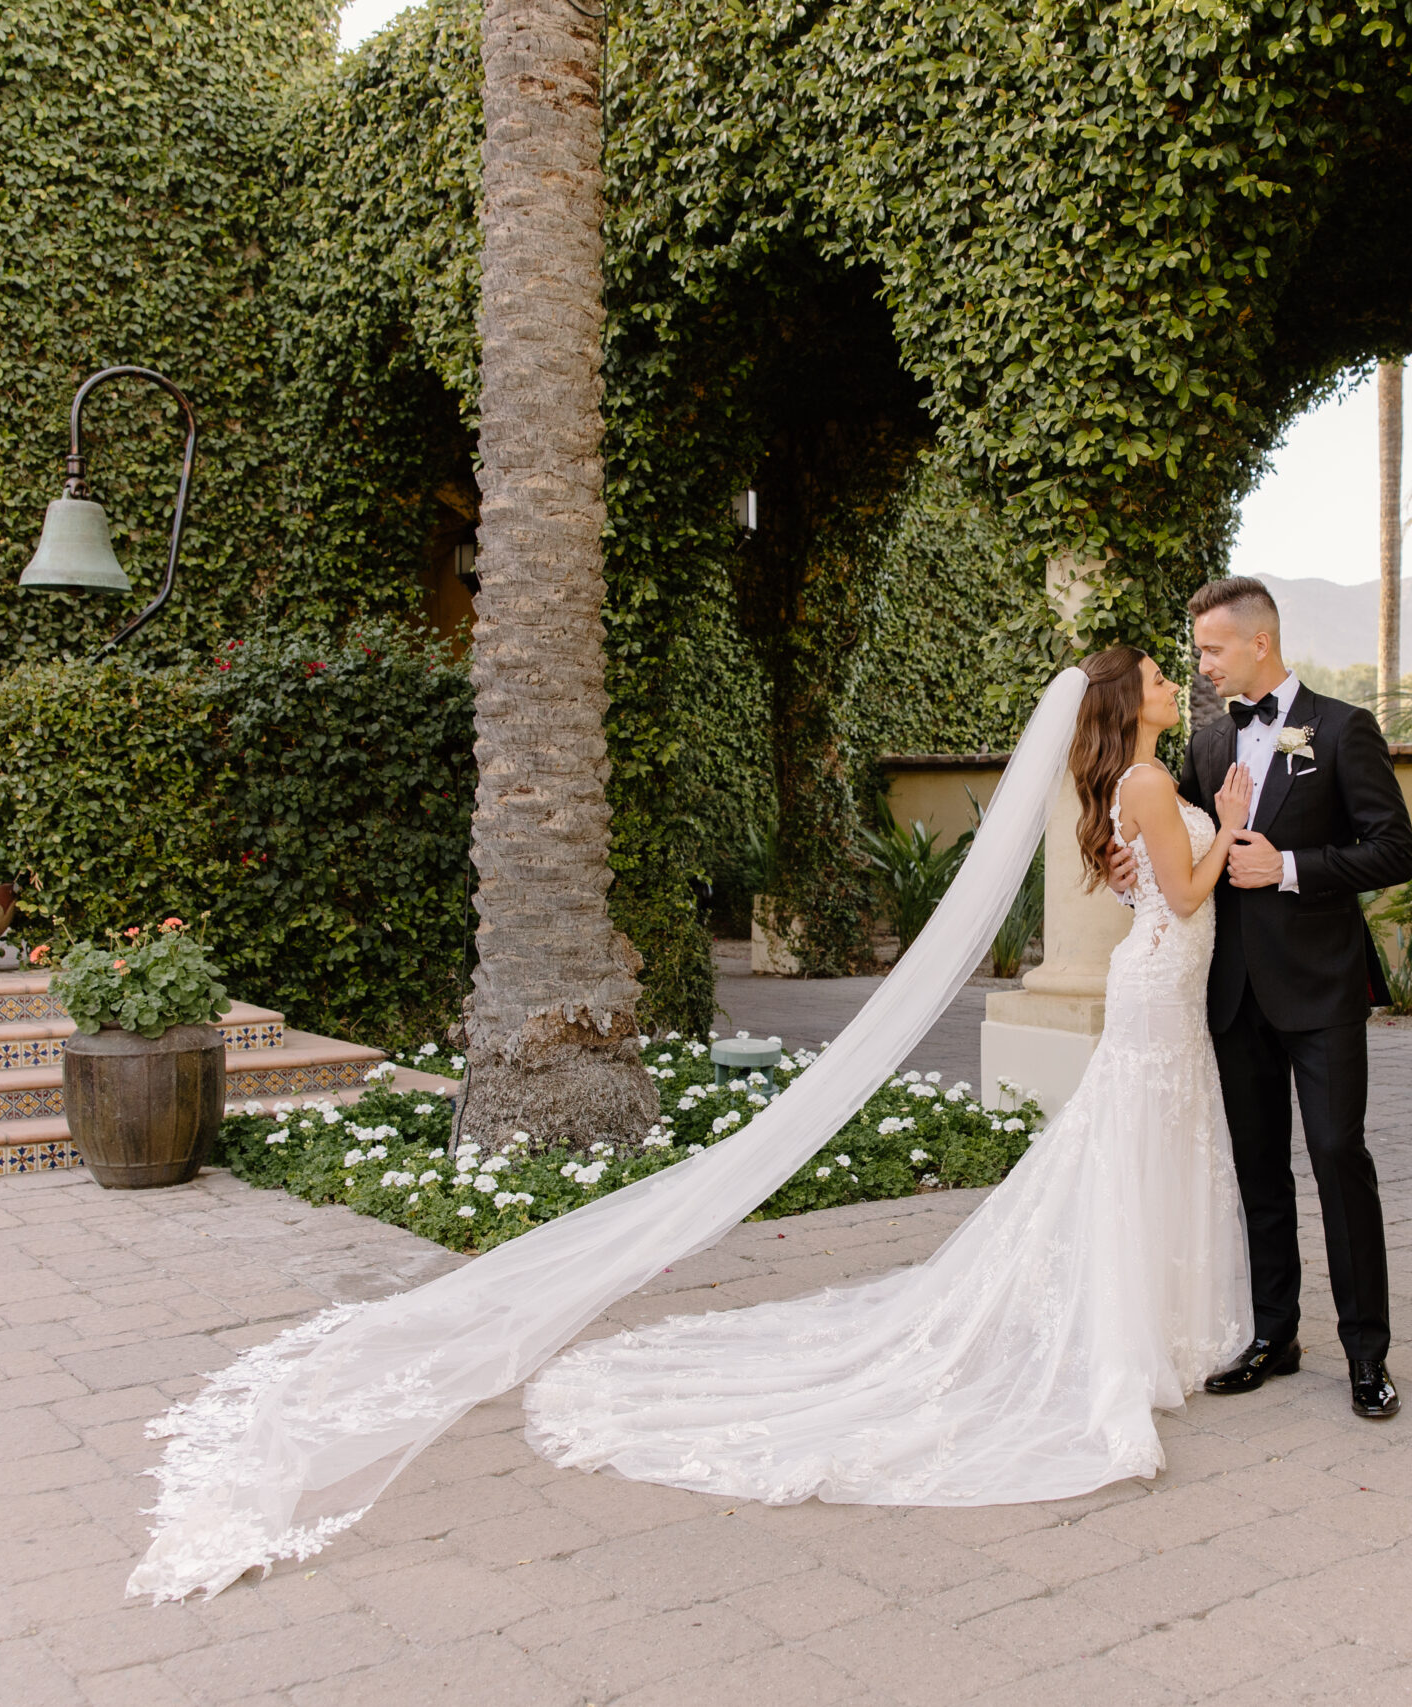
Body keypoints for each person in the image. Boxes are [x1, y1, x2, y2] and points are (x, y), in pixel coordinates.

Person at [128, 652, 1266, 1601]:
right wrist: (1238, 825)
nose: (1174, 680)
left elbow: (1140, 889)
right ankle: (1141, 1333)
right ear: (1128, 705)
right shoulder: (1154, 788)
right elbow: (1189, 890)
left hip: (1152, 993)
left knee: (1124, 1148)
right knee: (1131, 1145)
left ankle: (1141, 1322)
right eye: (1162, 676)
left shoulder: (1121, 791)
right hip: (1162, 990)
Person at [1109, 576, 1412, 1420]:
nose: (1201, 663)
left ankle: (1367, 1354)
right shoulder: (1206, 747)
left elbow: (1394, 850)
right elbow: (1175, 847)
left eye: (1210, 648)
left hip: (1321, 988)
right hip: (1231, 990)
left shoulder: (1346, 728)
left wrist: (1285, 866)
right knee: (1257, 1169)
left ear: (1259, 644)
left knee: (1338, 1159)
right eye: (1198, 650)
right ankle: (1275, 1335)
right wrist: (1123, 872)